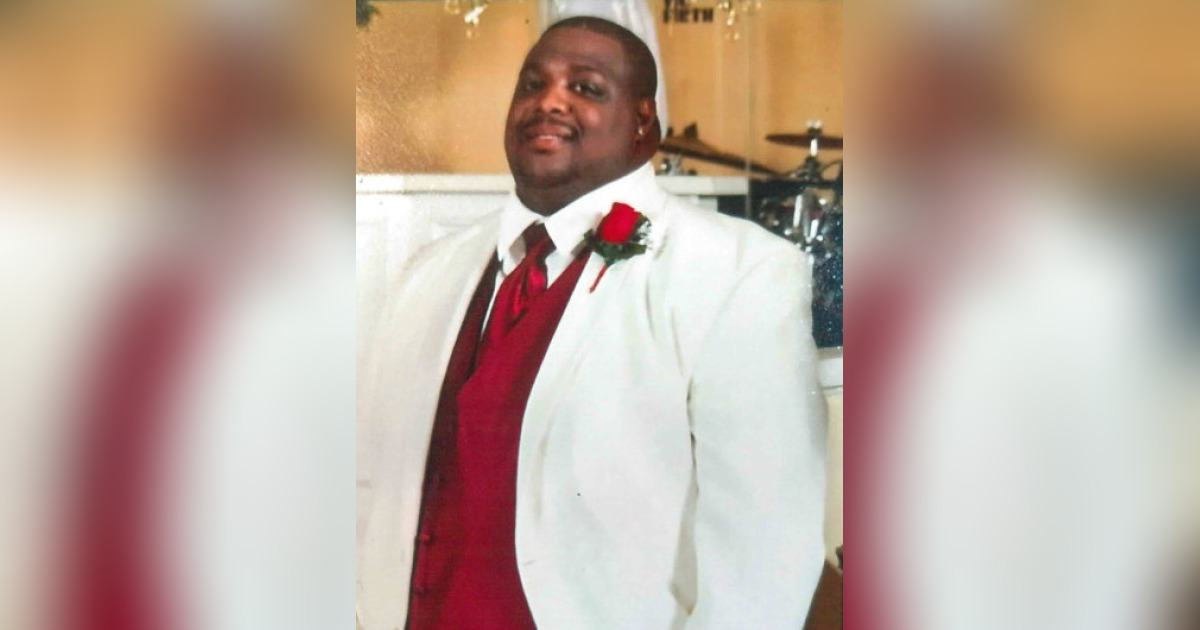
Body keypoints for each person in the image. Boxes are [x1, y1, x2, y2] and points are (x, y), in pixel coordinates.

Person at [357, 16, 826, 629]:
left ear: (644, 123)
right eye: (533, 84)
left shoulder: (739, 271)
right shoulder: (428, 272)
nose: (549, 101)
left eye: (586, 87)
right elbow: (368, 484)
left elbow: (764, 542)